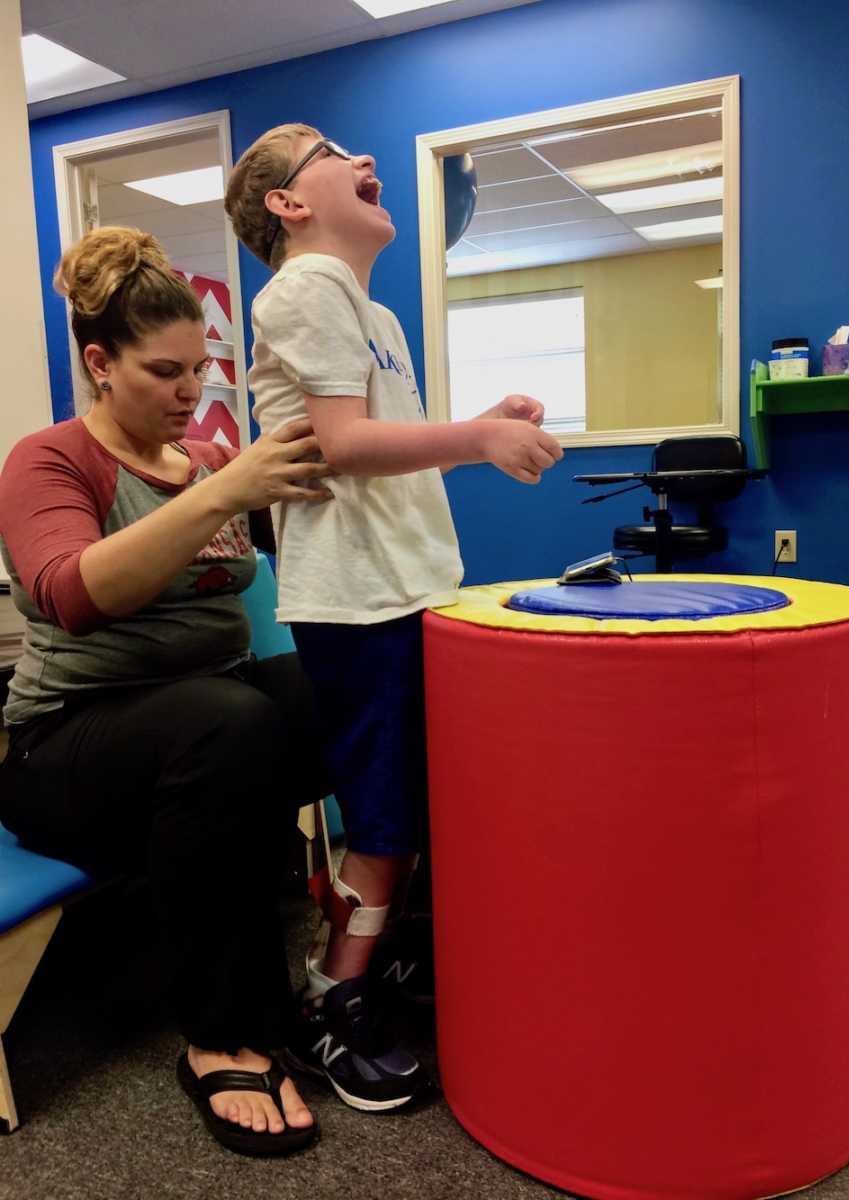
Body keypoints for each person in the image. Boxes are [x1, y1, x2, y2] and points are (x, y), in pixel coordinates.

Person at [224, 124, 563, 1112]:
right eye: (330, 150)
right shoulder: (302, 290)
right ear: (289, 204)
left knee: (415, 801)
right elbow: (340, 443)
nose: (361, 157)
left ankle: (390, 959)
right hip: (358, 601)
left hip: (413, 586)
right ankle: (336, 996)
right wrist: (478, 436)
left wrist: (477, 429)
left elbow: (380, 443)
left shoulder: (374, 313)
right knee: (382, 816)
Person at [0, 226, 335, 1157]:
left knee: (333, 690)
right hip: (61, 751)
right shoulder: (50, 460)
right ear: (101, 364)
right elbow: (69, 592)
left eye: (202, 368)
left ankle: (355, 938)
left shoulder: (204, 466)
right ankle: (219, 1032)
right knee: (225, 721)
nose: (193, 392)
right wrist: (223, 497)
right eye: (166, 372)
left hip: (200, 730)